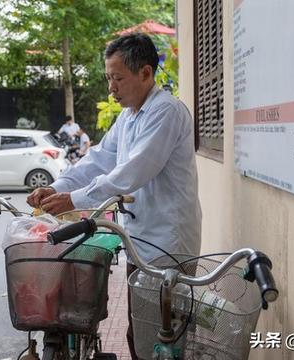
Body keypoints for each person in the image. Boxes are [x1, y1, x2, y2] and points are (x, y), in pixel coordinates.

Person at [27, 33, 202, 360]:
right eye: (109, 78)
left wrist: (74, 199)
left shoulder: (165, 111)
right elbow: (99, 159)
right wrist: (59, 186)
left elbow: (132, 172)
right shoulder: (130, 115)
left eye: (118, 78)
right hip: (141, 241)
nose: (111, 88)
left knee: (162, 338)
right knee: (142, 332)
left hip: (167, 243)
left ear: (146, 73)